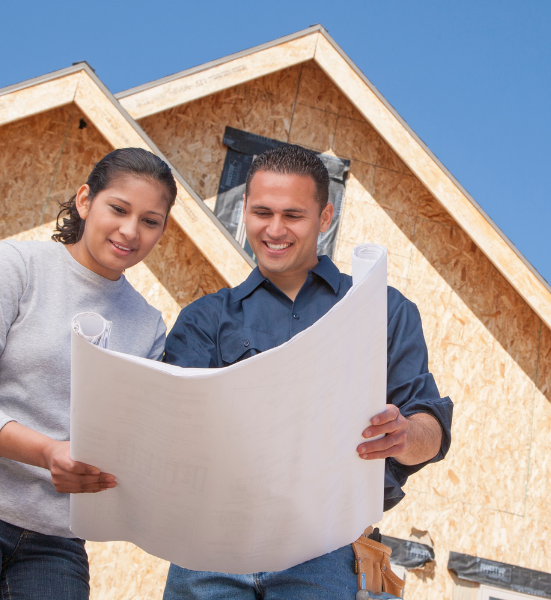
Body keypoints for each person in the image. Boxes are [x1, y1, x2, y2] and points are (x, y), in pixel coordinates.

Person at [0, 148, 177, 600]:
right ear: (85, 201)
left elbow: (125, 439)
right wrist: (46, 453)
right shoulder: (18, 266)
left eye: (150, 221)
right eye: (118, 209)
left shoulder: (147, 325)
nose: (130, 231)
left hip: (55, 541)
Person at [161, 144, 453, 599]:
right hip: (211, 547)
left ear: (325, 216)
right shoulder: (205, 319)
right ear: (245, 210)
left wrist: (404, 435)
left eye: (293, 215)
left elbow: (428, 425)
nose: (274, 230)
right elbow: (171, 433)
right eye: (262, 212)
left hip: (327, 551)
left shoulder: (383, 311)